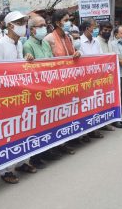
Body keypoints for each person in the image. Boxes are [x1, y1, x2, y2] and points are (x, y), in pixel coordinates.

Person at [0, 11, 38, 184]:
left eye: (24, 22)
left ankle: (21, 163)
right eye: (19, 23)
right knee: (7, 134)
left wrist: (26, 60)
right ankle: (5, 171)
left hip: (20, 96)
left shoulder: (19, 43)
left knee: (22, 130)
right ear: (10, 25)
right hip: (5, 98)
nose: (23, 26)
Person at [23, 15, 62, 168]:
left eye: (44, 25)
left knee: (49, 121)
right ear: (32, 30)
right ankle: (36, 157)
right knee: (37, 124)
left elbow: (51, 61)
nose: (44, 28)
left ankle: (47, 150)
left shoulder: (45, 43)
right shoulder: (27, 45)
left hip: (49, 87)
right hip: (37, 90)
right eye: (40, 26)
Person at [43, 10, 80, 153]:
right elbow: (47, 61)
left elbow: (71, 55)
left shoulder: (68, 37)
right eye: (66, 20)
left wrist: (77, 54)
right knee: (56, 115)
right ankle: (55, 145)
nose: (69, 22)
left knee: (67, 113)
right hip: (56, 84)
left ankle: (65, 142)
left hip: (69, 82)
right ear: (58, 23)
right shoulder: (49, 39)